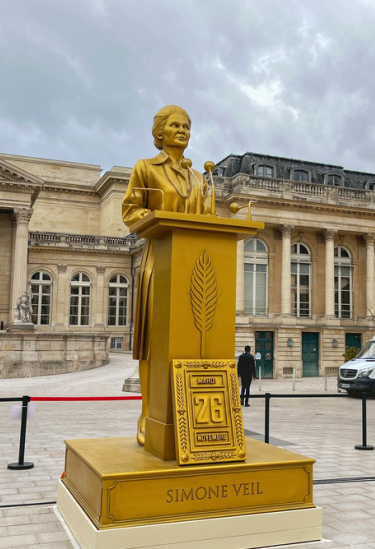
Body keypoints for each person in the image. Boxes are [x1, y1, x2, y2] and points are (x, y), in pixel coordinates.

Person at [121, 105, 215, 445]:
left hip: (194, 265)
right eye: (175, 125)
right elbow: (131, 211)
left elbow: (207, 219)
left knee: (193, 338)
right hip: (158, 261)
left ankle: (188, 417)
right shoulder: (145, 168)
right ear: (159, 132)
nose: (183, 130)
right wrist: (158, 219)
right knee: (153, 343)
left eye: (187, 126)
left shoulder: (199, 178)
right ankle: (149, 413)